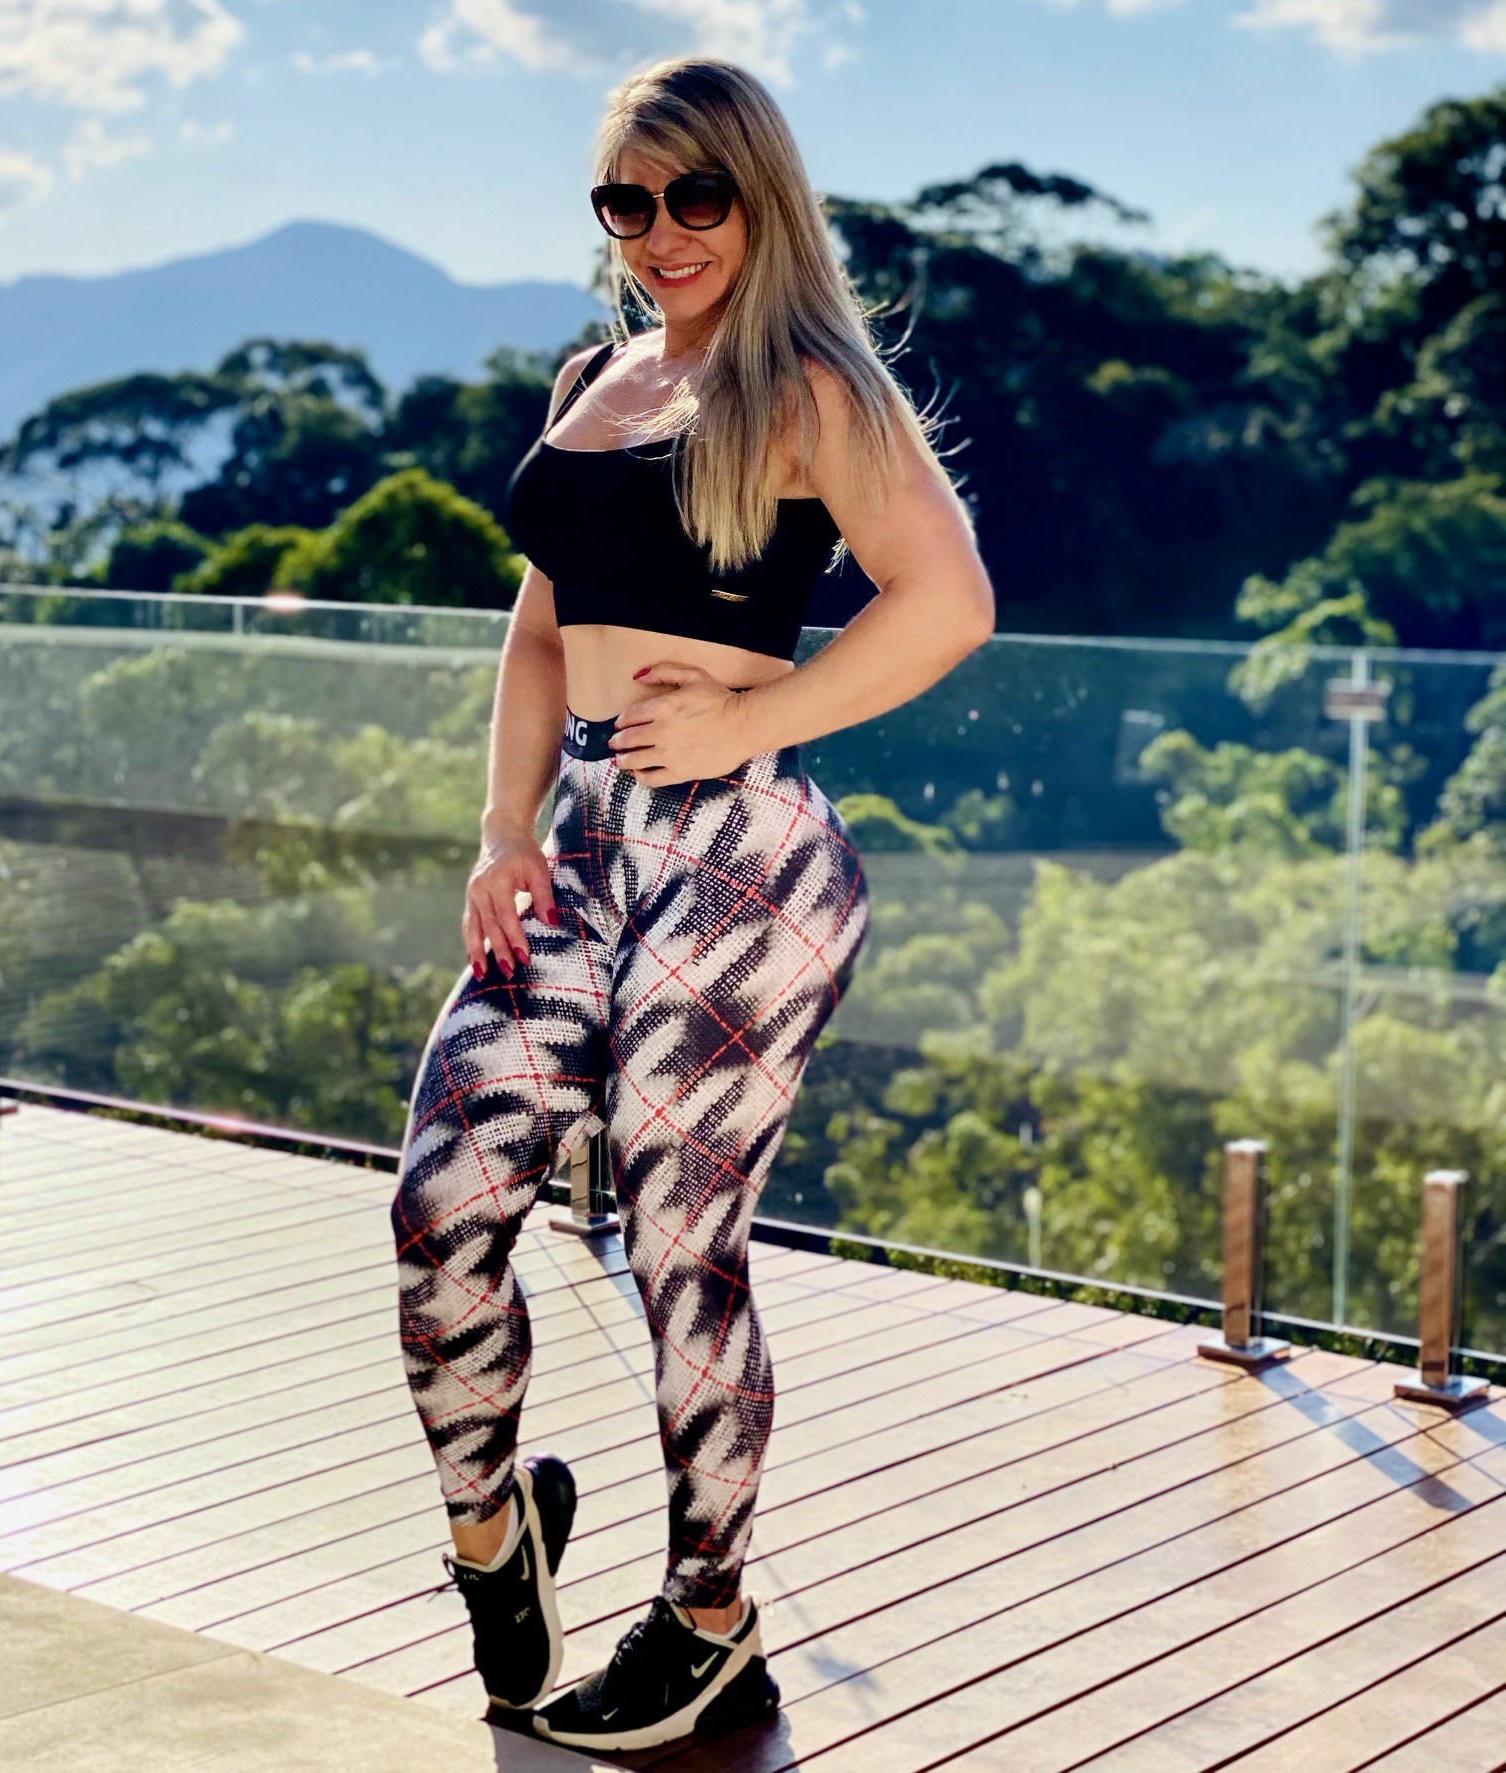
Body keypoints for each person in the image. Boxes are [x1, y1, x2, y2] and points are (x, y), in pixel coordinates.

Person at [388, 54, 994, 1755]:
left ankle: (712, 1618)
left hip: (740, 859)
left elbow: (946, 599)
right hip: (575, 849)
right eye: (625, 200)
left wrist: (753, 715)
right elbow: (539, 625)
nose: (660, 232)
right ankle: (493, 1533)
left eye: (694, 197)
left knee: (677, 1237)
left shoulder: (807, 386)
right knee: (439, 1206)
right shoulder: (598, 378)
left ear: (757, 194)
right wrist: (500, 827)